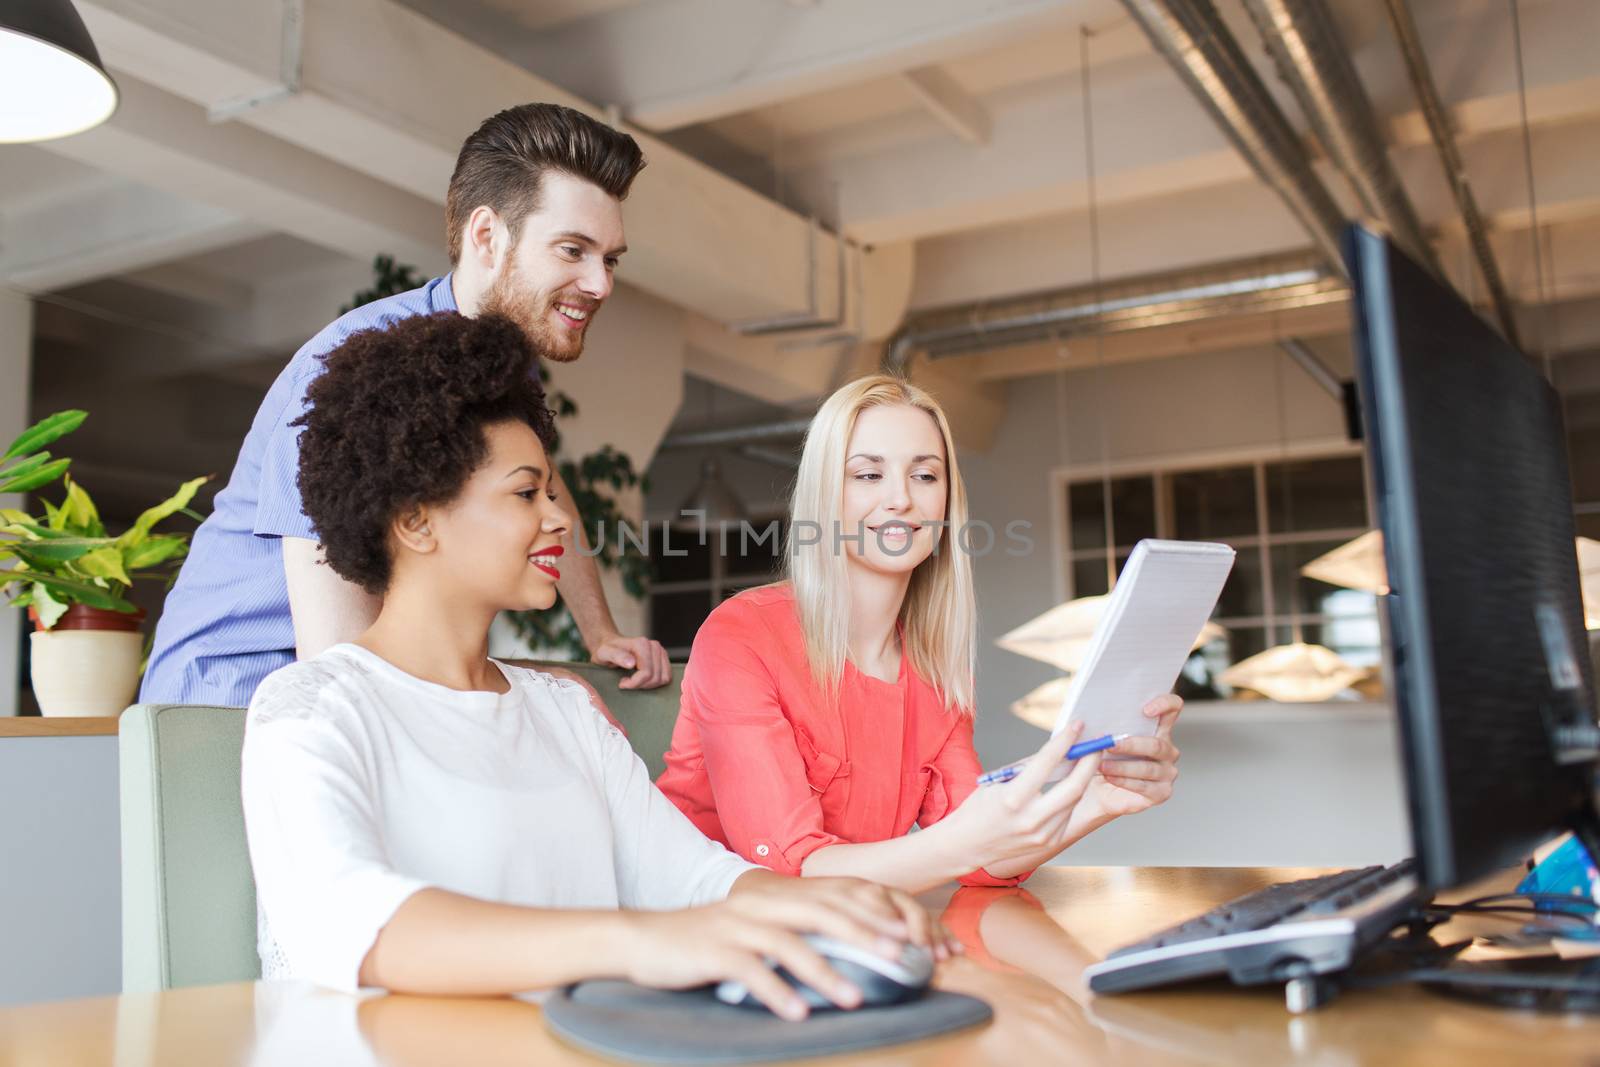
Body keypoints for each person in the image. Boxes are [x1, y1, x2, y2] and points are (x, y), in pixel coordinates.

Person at [240, 313, 948, 1017]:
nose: (557, 518)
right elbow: (358, 921)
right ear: (417, 520)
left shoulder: (563, 710)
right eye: (526, 493)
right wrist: (639, 941)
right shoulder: (309, 707)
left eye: (552, 491)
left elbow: (694, 875)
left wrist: (837, 902)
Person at [143, 103, 671, 707]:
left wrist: (599, 632)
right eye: (573, 250)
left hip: (340, 691)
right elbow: (336, 661)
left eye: (610, 259)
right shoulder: (353, 371)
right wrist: (534, 694)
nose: (602, 284)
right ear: (487, 237)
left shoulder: (495, 362)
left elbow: (547, 487)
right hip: (235, 692)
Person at [657, 375, 1184, 892]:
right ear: (825, 496)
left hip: (841, 941)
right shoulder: (742, 636)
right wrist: (965, 843)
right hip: (696, 938)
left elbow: (981, 859)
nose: (900, 500)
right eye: (867, 475)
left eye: (925, 476)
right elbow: (785, 872)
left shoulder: (933, 670)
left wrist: (1098, 798)